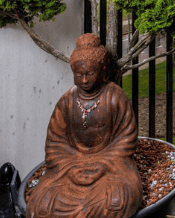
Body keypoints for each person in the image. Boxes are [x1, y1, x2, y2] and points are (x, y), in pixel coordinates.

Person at [27, 33, 143, 218]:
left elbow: (126, 139)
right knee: (41, 205)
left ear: (103, 70)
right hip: (69, 168)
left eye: (90, 73)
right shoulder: (67, 101)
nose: (84, 80)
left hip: (110, 167)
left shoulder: (115, 96)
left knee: (116, 202)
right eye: (79, 74)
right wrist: (72, 167)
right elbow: (55, 144)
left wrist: (102, 164)